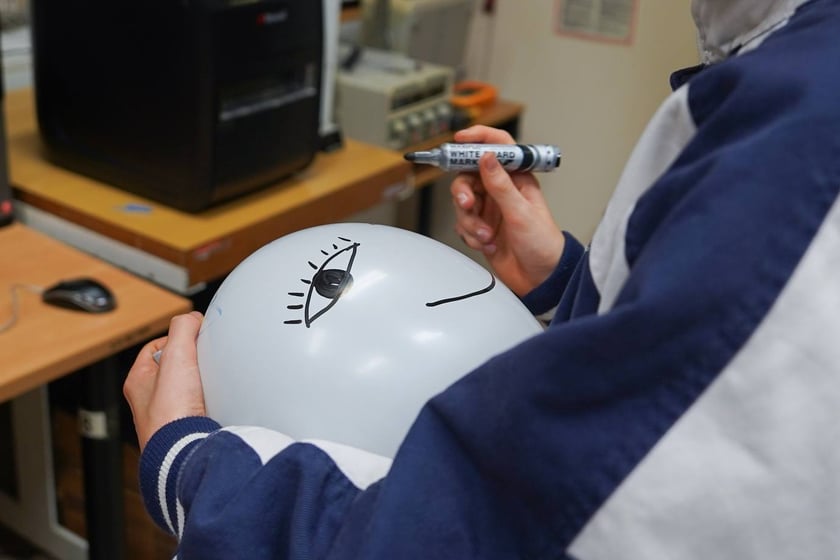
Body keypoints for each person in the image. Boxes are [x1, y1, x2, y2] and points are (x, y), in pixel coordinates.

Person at [124, 0, 840, 557]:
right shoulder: (781, 67)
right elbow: (690, 366)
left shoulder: (808, 129)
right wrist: (571, 282)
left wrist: (193, 469)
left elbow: (495, 534)